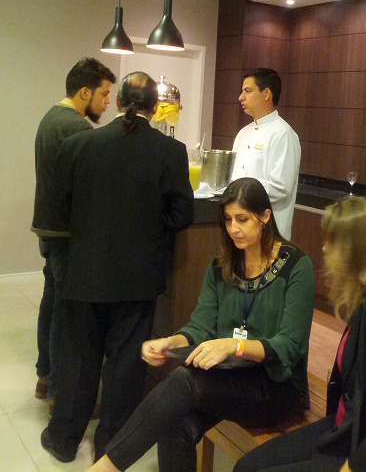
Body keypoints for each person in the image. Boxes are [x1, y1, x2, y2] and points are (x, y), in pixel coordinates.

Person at [85, 177, 315, 472]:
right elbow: (201, 327)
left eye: (242, 219)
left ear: (265, 217)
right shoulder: (222, 265)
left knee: (183, 381)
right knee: (174, 420)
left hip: (275, 386)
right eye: (228, 219)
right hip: (230, 376)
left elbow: (290, 345)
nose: (233, 228)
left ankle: (106, 467)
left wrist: (235, 345)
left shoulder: (296, 266)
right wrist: (171, 342)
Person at [40, 71, 195, 464]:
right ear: (154, 107)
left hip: (85, 269)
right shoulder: (170, 151)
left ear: (120, 101)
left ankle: (63, 438)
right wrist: (148, 224)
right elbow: (182, 214)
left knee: (79, 358)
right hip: (138, 275)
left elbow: (60, 206)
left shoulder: (79, 144)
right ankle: (111, 445)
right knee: (125, 365)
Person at [233, 196, 366, 472]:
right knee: (246, 466)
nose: (325, 247)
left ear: (356, 248)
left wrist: (360, 465)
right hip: (346, 428)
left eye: (332, 240)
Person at [32, 57, 117, 402]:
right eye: (105, 94)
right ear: (85, 92)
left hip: (48, 228)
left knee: (52, 303)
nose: (109, 102)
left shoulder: (51, 117)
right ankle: (60, 394)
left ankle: (45, 377)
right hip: (67, 234)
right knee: (67, 316)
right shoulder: (77, 128)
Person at [230, 68, 301, 241]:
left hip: (268, 233)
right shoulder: (243, 132)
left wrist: (241, 190)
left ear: (266, 93)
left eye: (248, 91)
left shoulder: (283, 134)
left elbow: (281, 188)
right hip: (239, 227)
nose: (241, 97)